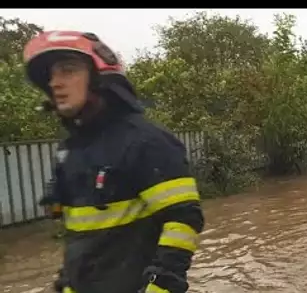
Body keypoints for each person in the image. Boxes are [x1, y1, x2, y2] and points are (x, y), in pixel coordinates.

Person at [23, 30, 205, 293]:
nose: (55, 83)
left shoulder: (145, 141)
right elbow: (81, 239)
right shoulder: (70, 150)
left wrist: (160, 287)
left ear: (99, 79)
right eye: (51, 75)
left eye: (68, 71)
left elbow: (184, 218)